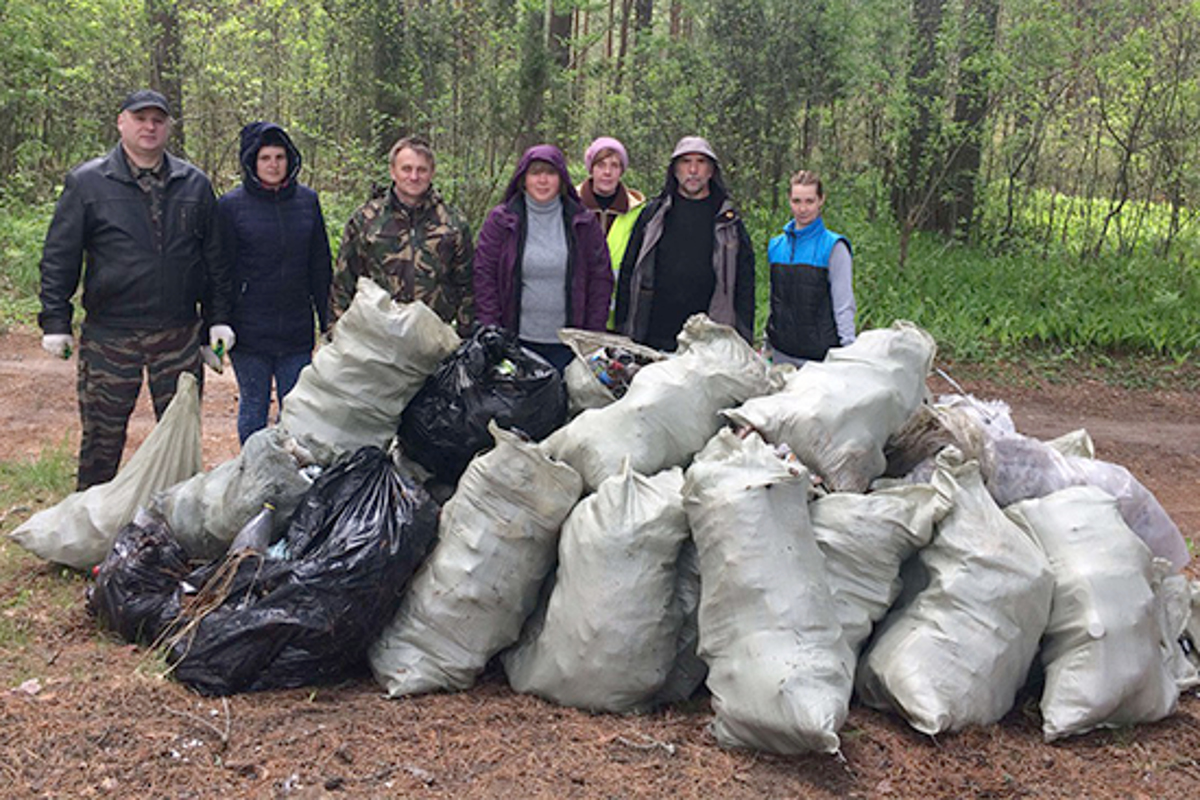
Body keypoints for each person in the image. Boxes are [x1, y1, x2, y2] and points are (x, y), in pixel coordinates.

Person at [37, 89, 233, 490]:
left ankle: (180, 529)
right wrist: (55, 321)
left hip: (178, 333)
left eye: (158, 119)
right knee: (102, 440)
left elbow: (216, 261)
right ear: (121, 122)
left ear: (168, 128)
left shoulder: (194, 184)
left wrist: (219, 321)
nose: (149, 126)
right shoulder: (88, 183)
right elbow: (61, 256)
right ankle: (87, 531)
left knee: (178, 437)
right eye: (140, 118)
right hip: (111, 334)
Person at [217, 121, 332, 445]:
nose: (273, 164)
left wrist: (328, 322)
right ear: (252, 162)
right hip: (248, 330)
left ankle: (291, 479)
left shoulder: (307, 202)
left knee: (296, 409)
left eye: (279, 157)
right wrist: (217, 323)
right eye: (265, 157)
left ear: (290, 160)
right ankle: (251, 477)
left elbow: (319, 266)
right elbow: (220, 270)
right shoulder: (231, 206)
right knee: (253, 408)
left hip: (295, 329)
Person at [473, 144, 612, 372]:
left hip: (568, 346)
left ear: (562, 179)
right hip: (515, 342)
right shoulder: (502, 221)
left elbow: (600, 279)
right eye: (535, 173)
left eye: (550, 173)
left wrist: (592, 337)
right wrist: (492, 330)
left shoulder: (582, 222)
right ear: (523, 179)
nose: (543, 180)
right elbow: (484, 275)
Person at [614, 135, 754, 352]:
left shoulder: (729, 222)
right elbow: (629, 271)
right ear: (674, 169)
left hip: (708, 340)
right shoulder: (653, 216)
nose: (693, 170)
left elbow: (745, 284)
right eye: (686, 162)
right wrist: (624, 327)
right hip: (654, 336)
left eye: (701, 162)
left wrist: (745, 337)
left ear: (711, 171)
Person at [333, 135, 473, 333]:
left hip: (433, 338)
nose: (414, 177)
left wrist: (465, 341)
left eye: (421, 170)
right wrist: (335, 335)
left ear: (431, 173)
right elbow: (344, 282)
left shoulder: (453, 223)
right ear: (393, 171)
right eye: (406, 169)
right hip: (377, 337)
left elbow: (467, 287)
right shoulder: (366, 219)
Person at [764, 170, 856, 366]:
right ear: (789, 200)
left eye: (809, 201)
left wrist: (849, 356)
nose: (802, 209)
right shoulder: (776, 246)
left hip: (819, 359)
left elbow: (844, 305)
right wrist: (767, 345)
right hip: (782, 354)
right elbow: (775, 302)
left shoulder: (834, 247)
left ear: (821, 200)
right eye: (797, 201)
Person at [576, 136, 646, 280]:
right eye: (601, 165)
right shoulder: (571, 205)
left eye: (614, 165)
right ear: (591, 169)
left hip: (619, 297)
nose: (607, 172)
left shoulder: (637, 210)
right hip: (577, 295)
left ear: (621, 170)